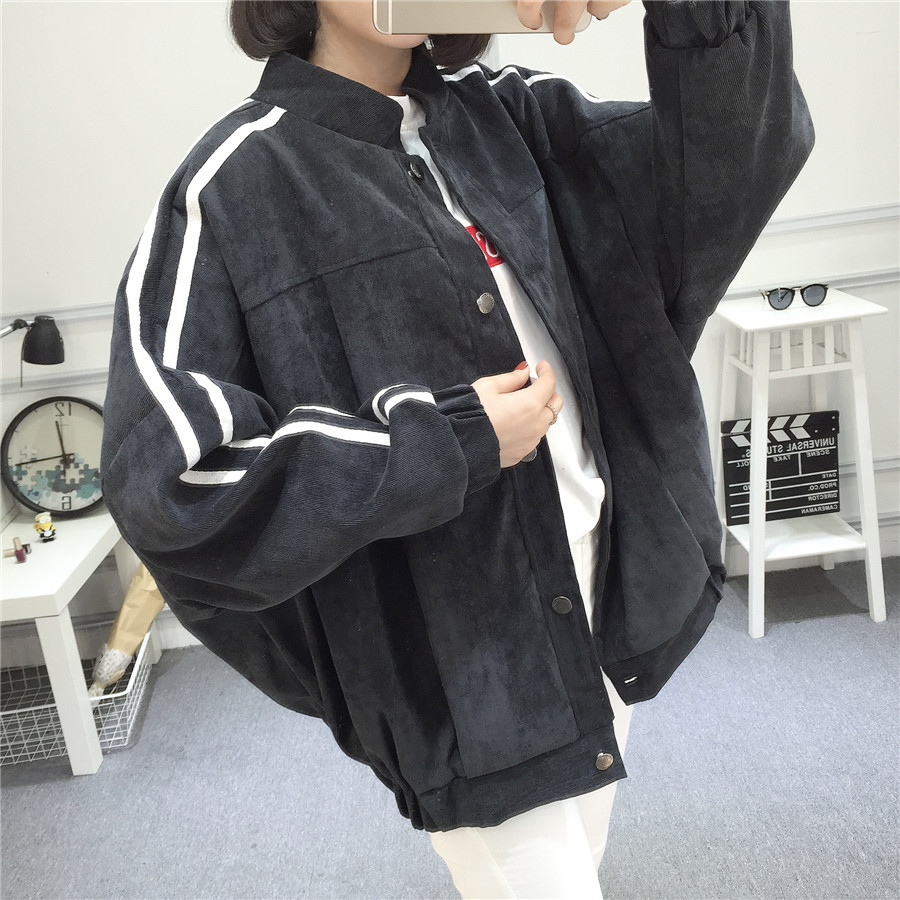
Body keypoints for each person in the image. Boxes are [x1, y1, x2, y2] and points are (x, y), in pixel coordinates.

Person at [100, 1, 814, 896]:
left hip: (605, 596)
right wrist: (445, 441)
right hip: (460, 666)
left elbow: (729, 170)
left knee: (577, 860)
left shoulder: (516, 117)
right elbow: (171, 483)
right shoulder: (234, 183)